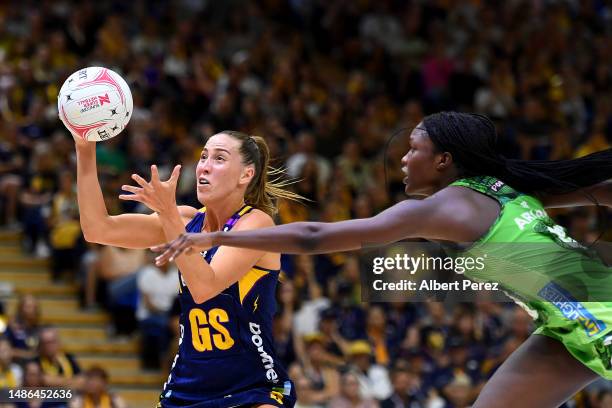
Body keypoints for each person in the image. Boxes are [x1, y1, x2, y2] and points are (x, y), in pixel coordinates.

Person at [154, 112, 612, 407]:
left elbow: (315, 235)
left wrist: (213, 235)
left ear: (444, 161)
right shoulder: (502, 188)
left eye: (415, 149)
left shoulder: (444, 208)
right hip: (565, 330)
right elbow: (602, 191)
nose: (405, 159)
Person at [73, 129, 299, 407]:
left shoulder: (256, 224)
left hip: (251, 386)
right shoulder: (186, 219)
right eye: (203, 156)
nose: (204, 165)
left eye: (219, 158)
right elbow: (98, 229)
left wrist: (168, 213)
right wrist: (85, 149)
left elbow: (205, 287)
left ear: (245, 175)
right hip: (188, 385)